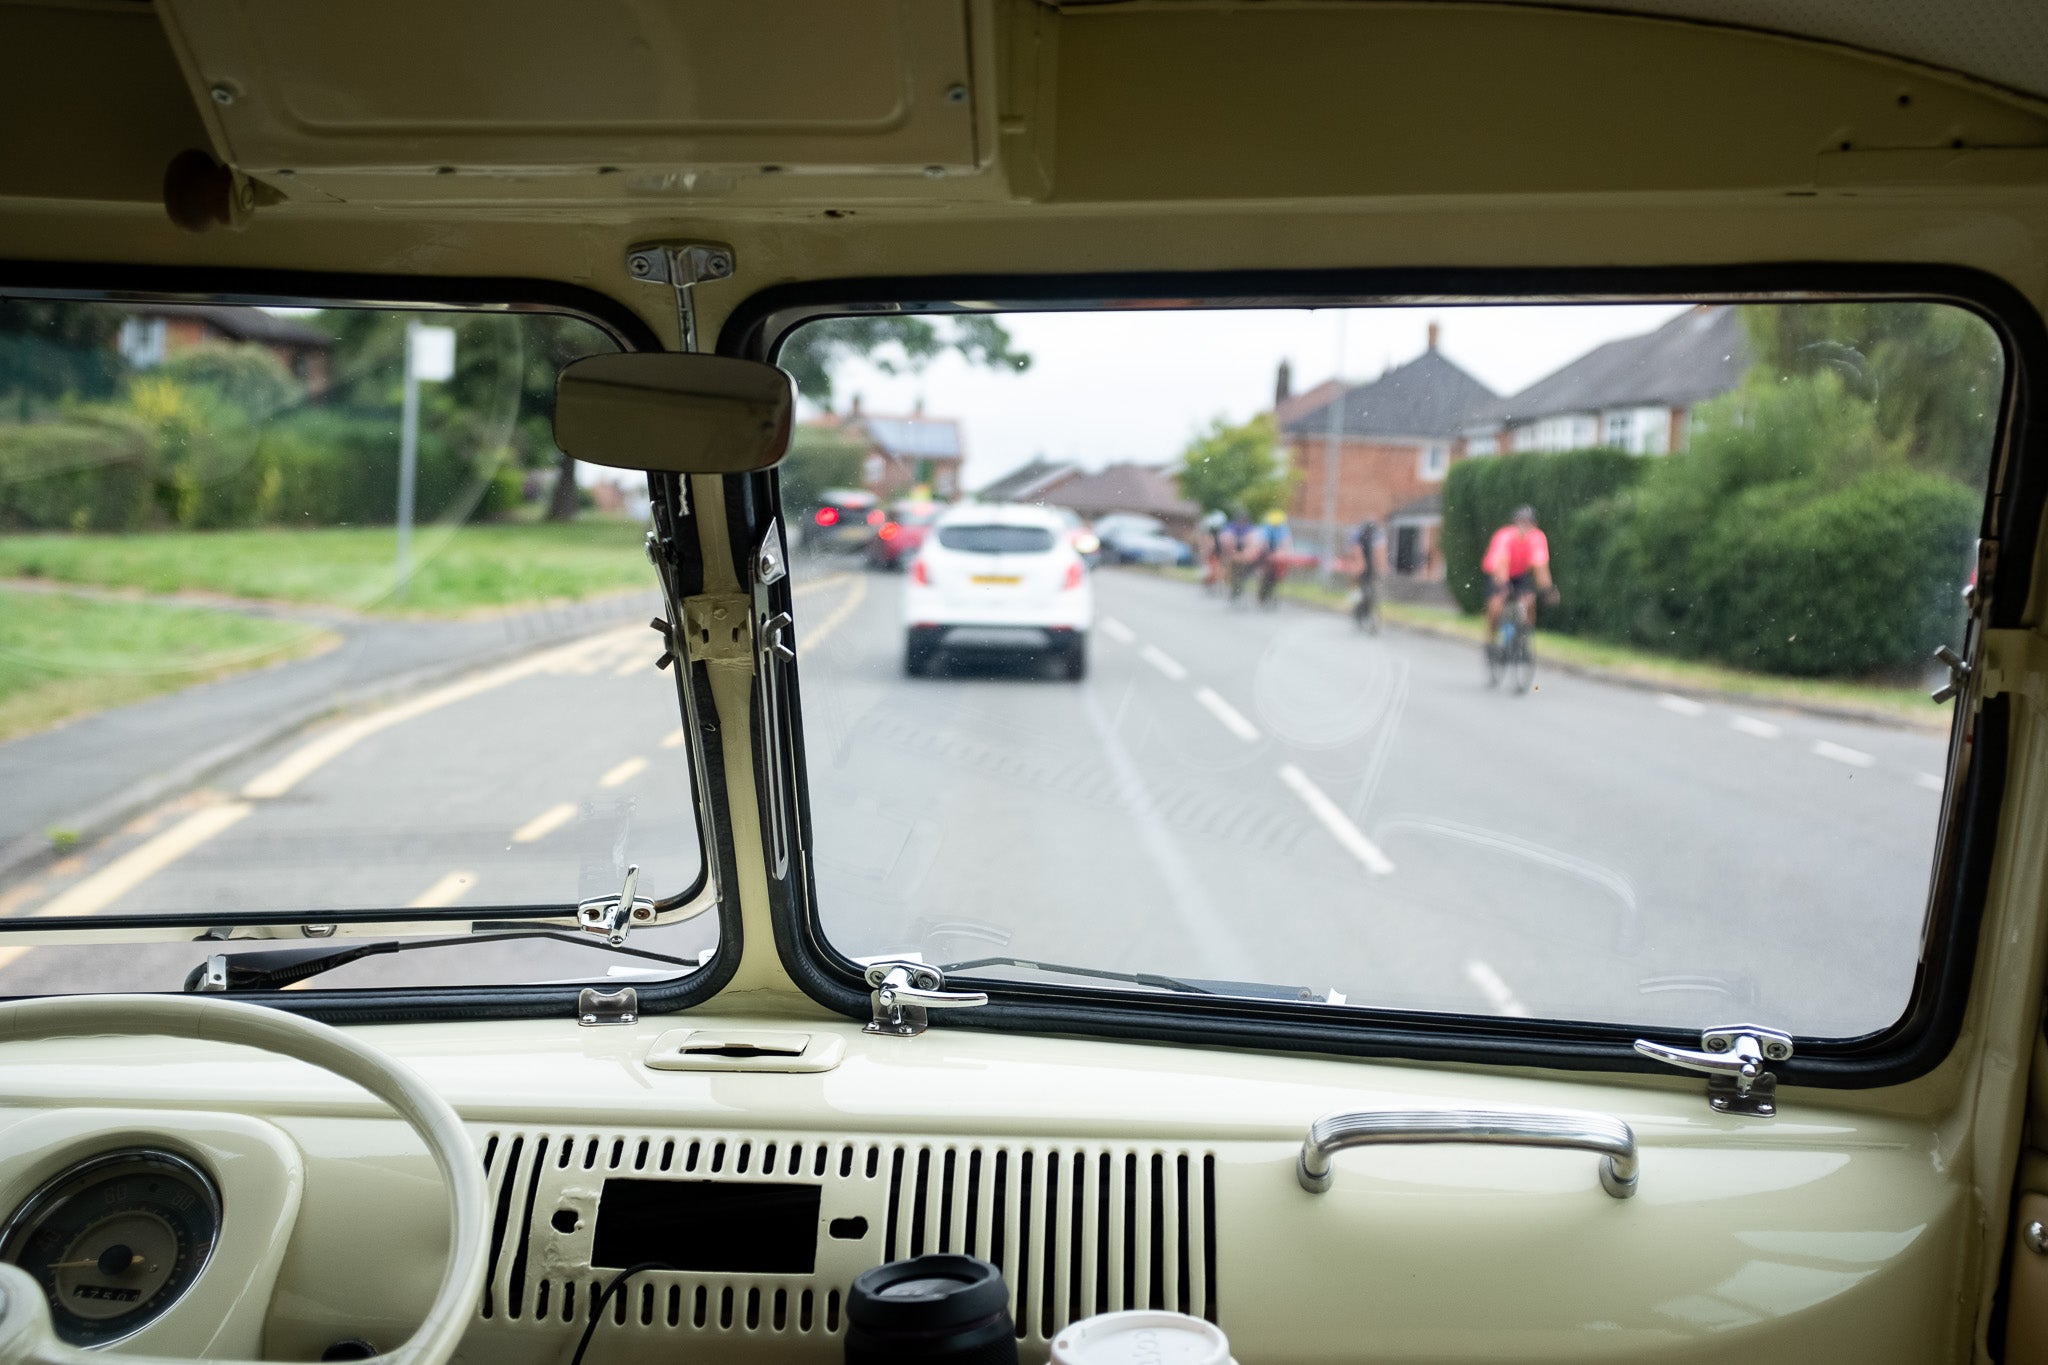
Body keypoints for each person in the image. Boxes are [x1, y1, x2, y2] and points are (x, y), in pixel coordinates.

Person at [1482, 504, 1558, 638]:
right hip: (1497, 572)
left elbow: (1541, 566)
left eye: (1529, 523)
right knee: (1496, 606)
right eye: (1521, 522)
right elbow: (1501, 563)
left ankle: (1524, 637)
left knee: (1529, 602)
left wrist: (1547, 589)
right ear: (1515, 523)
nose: (1525, 527)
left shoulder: (1537, 537)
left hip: (1519, 573)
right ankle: (1491, 640)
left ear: (1534, 525)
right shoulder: (1505, 536)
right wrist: (1504, 587)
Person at [1343, 518, 1386, 627]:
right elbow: (1357, 556)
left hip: (1370, 564)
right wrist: (1356, 570)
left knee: (1373, 588)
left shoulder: (1377, 536)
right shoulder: (1357, 537)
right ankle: (1357, 607)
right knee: (1358, 586)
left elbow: (1379, 554)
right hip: (1360, 562)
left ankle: (1371, 609)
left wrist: (1381, 568)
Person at [1253, 509, 1291, 607]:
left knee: (1275, 576)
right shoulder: (1266, 527)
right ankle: (1261, 596)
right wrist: (1268, 555)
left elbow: (1285, 542)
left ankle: (1268, 595)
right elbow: (1263, 543)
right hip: (1265, 553)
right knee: (1265, 575)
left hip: (1276, 555)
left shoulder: (1282, 527)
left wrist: (1281, 553)